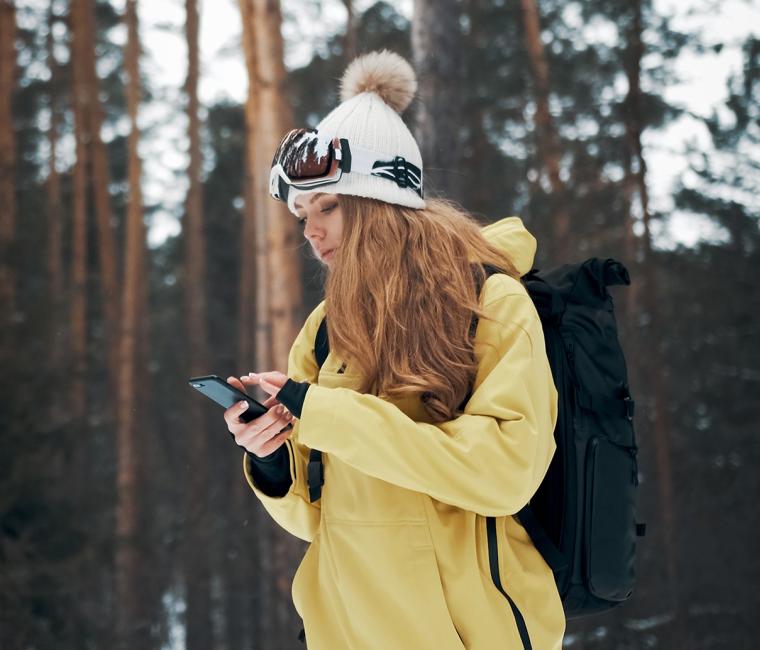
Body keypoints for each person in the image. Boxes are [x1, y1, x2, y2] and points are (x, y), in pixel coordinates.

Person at [222, 50, 566, 649]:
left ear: (383, 202)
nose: (310, 229)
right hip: (346, 632)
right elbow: (315, 515)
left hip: (466, 634)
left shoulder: (491, 302)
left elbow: (504, 472)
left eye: (327, 205)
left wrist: (324, 413)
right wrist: (273, 459)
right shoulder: (326, 328)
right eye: (301, 212)